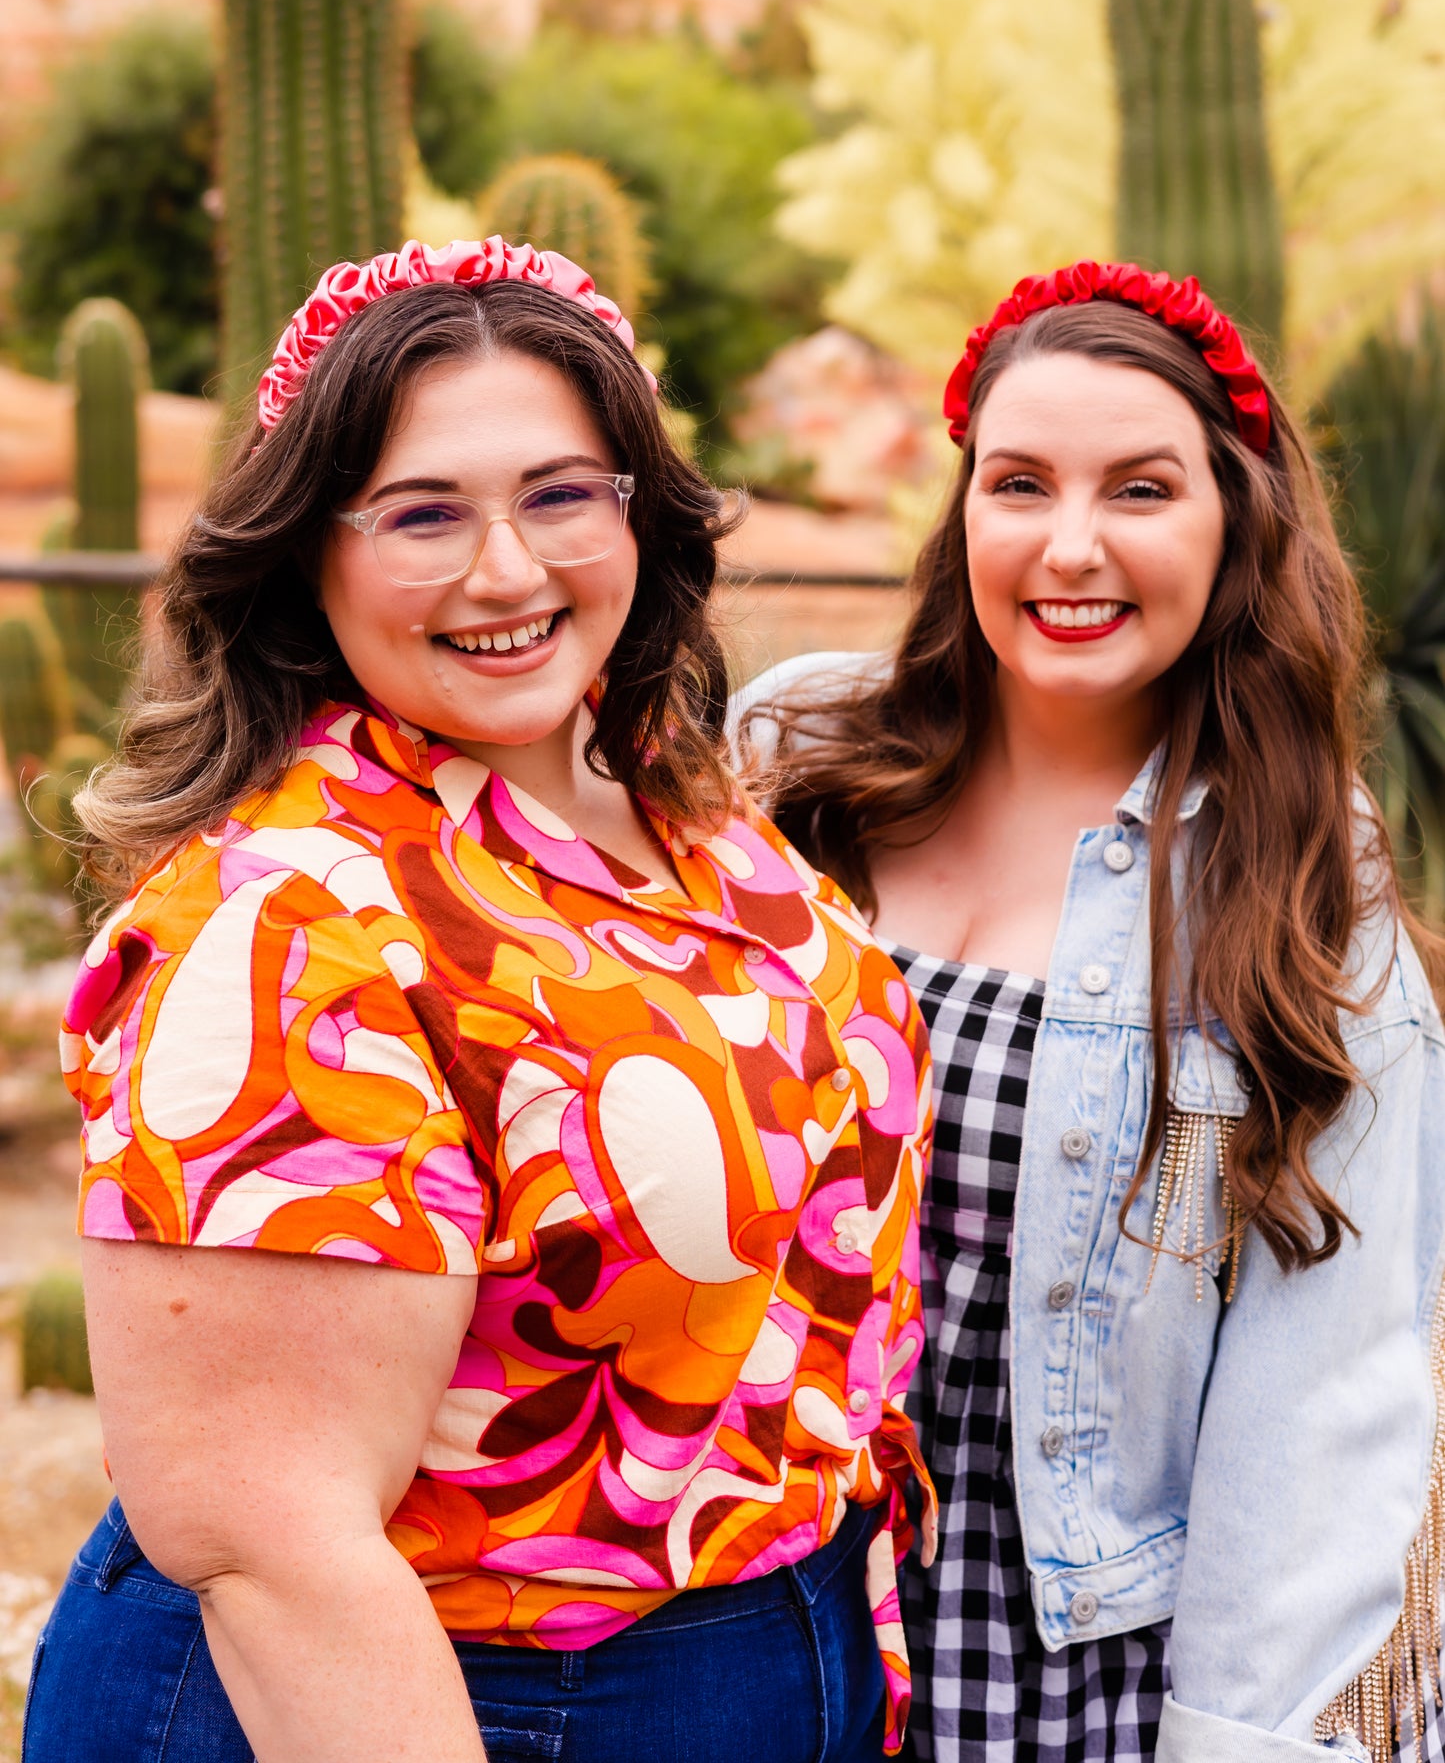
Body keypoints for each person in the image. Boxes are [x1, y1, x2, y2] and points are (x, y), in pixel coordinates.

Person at [24, 238, 933, 1763]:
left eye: (561, 494)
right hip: (442, 1702)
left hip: (758, 1656)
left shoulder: (676, 810)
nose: (505, 570)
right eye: (423, 514)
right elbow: (274, 1543)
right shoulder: (291, 920)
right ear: (310, 549)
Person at [735, 261, 1445, 1763]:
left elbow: (1320, 1404)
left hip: (1057, 1670)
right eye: (1018, 484)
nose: (1069, 546)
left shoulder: (1306, 888)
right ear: (962, 515)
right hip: (749, 1622)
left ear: (1231, 523)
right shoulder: (793, 765)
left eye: (1138, 489)